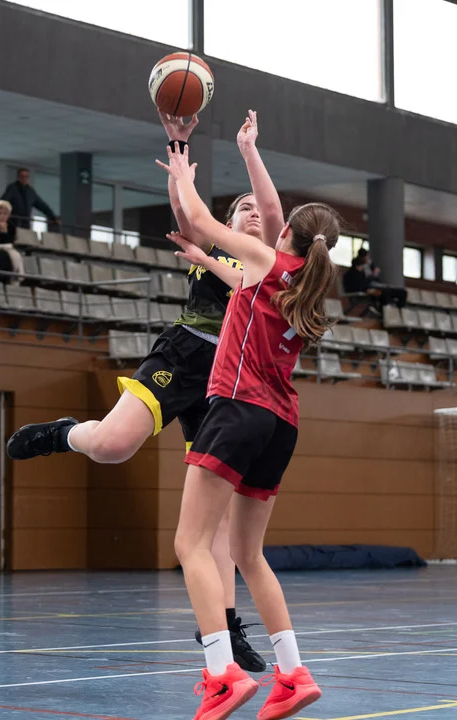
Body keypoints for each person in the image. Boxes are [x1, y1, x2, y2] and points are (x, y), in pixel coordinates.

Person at [5, 111, 284, 674]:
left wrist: (251, 157)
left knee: (220, 519)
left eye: (257, 207)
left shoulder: (271, 258)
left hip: (230, 378)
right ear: (229, 221)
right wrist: (178, 145)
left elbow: (274, 214)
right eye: (243, 208)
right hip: (186, 352)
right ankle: (65, 434)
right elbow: (186, 211)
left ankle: (225, 623)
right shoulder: (217, 245)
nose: (254, 212)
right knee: (113, 446)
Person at [159, 140, 339, 720]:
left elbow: (203, 219)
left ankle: (221, 675)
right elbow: (236, 275)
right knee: (247, 553)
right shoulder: (302, 283)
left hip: (238, 410)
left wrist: (183, 175)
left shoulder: (267, 261)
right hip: (280, 423)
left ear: (284, 233)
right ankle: (293, 674)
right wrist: (248, 151)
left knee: (191, 544)